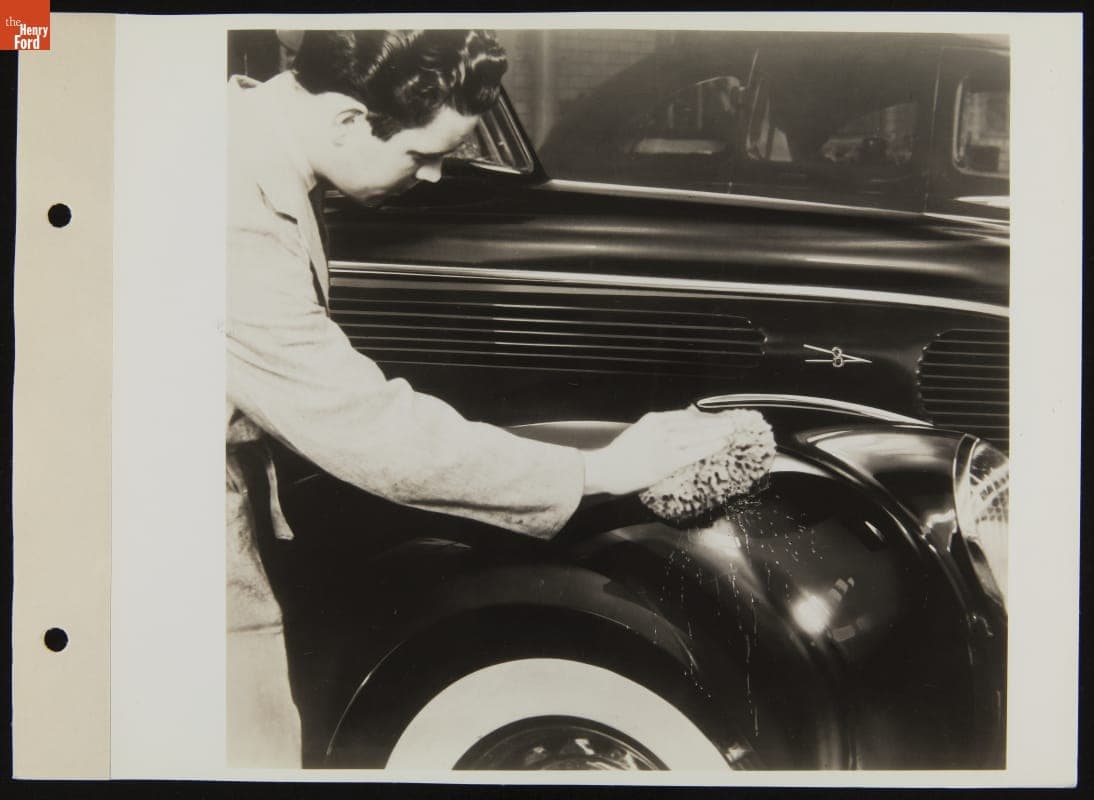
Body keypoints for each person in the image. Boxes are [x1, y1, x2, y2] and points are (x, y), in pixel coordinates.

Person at [226, 29, 758, 767]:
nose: (437, 179)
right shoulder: (231, 210)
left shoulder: (245, 139)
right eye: (423, 154)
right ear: (349, 120)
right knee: (246, 754)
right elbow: (366, 428)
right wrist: (594, 471)